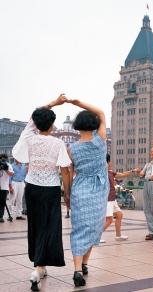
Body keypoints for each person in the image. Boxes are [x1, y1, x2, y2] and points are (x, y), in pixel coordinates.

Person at [12, 94, 71, 291]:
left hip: (32, 188)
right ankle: (38, 268)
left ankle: (40, 265)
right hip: (51, 189)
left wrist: (53, 103)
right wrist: (67, 194)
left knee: (36, 225)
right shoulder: (58, 143)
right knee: (50, 227)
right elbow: (64, 170)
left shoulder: (29, 138)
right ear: (52, 124)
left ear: (36, 123)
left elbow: (33, 116)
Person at [67, 98, 109, 287]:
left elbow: (70, 171)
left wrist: (67, 194)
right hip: (99, 189)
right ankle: (85, 264)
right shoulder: (100, 141)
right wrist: (78, 103)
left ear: (77, 126)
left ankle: (77, 269)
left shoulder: (72, 148)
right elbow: (100, 112)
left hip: (80, 188)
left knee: (79, 229)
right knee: (94, 227)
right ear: (93, 124)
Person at [100, 153, 141, 243]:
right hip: (107, 199)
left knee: (119, 215)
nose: (111, 163)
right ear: (107, 163)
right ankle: (96, 237)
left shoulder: (110, 173)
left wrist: (133, 171)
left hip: (112, 199)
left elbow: (122, 174)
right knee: (109, 219)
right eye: (110, 162)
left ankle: (118, 235)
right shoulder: (101, 173)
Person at [139, 138, 153, 240]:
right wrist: (138, 172)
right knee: (146, 208)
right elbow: (142, 174)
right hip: (146, 184)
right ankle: (152, 231)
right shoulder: (148, 164)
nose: (151, 152)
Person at [0, 154, 14, 223]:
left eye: (5, 159)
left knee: (2, 202)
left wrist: (6, 170)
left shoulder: (8, 165)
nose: (3, 161)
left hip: (4, 187)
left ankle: (0, 216)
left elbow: (12, 174)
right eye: (2, 159)